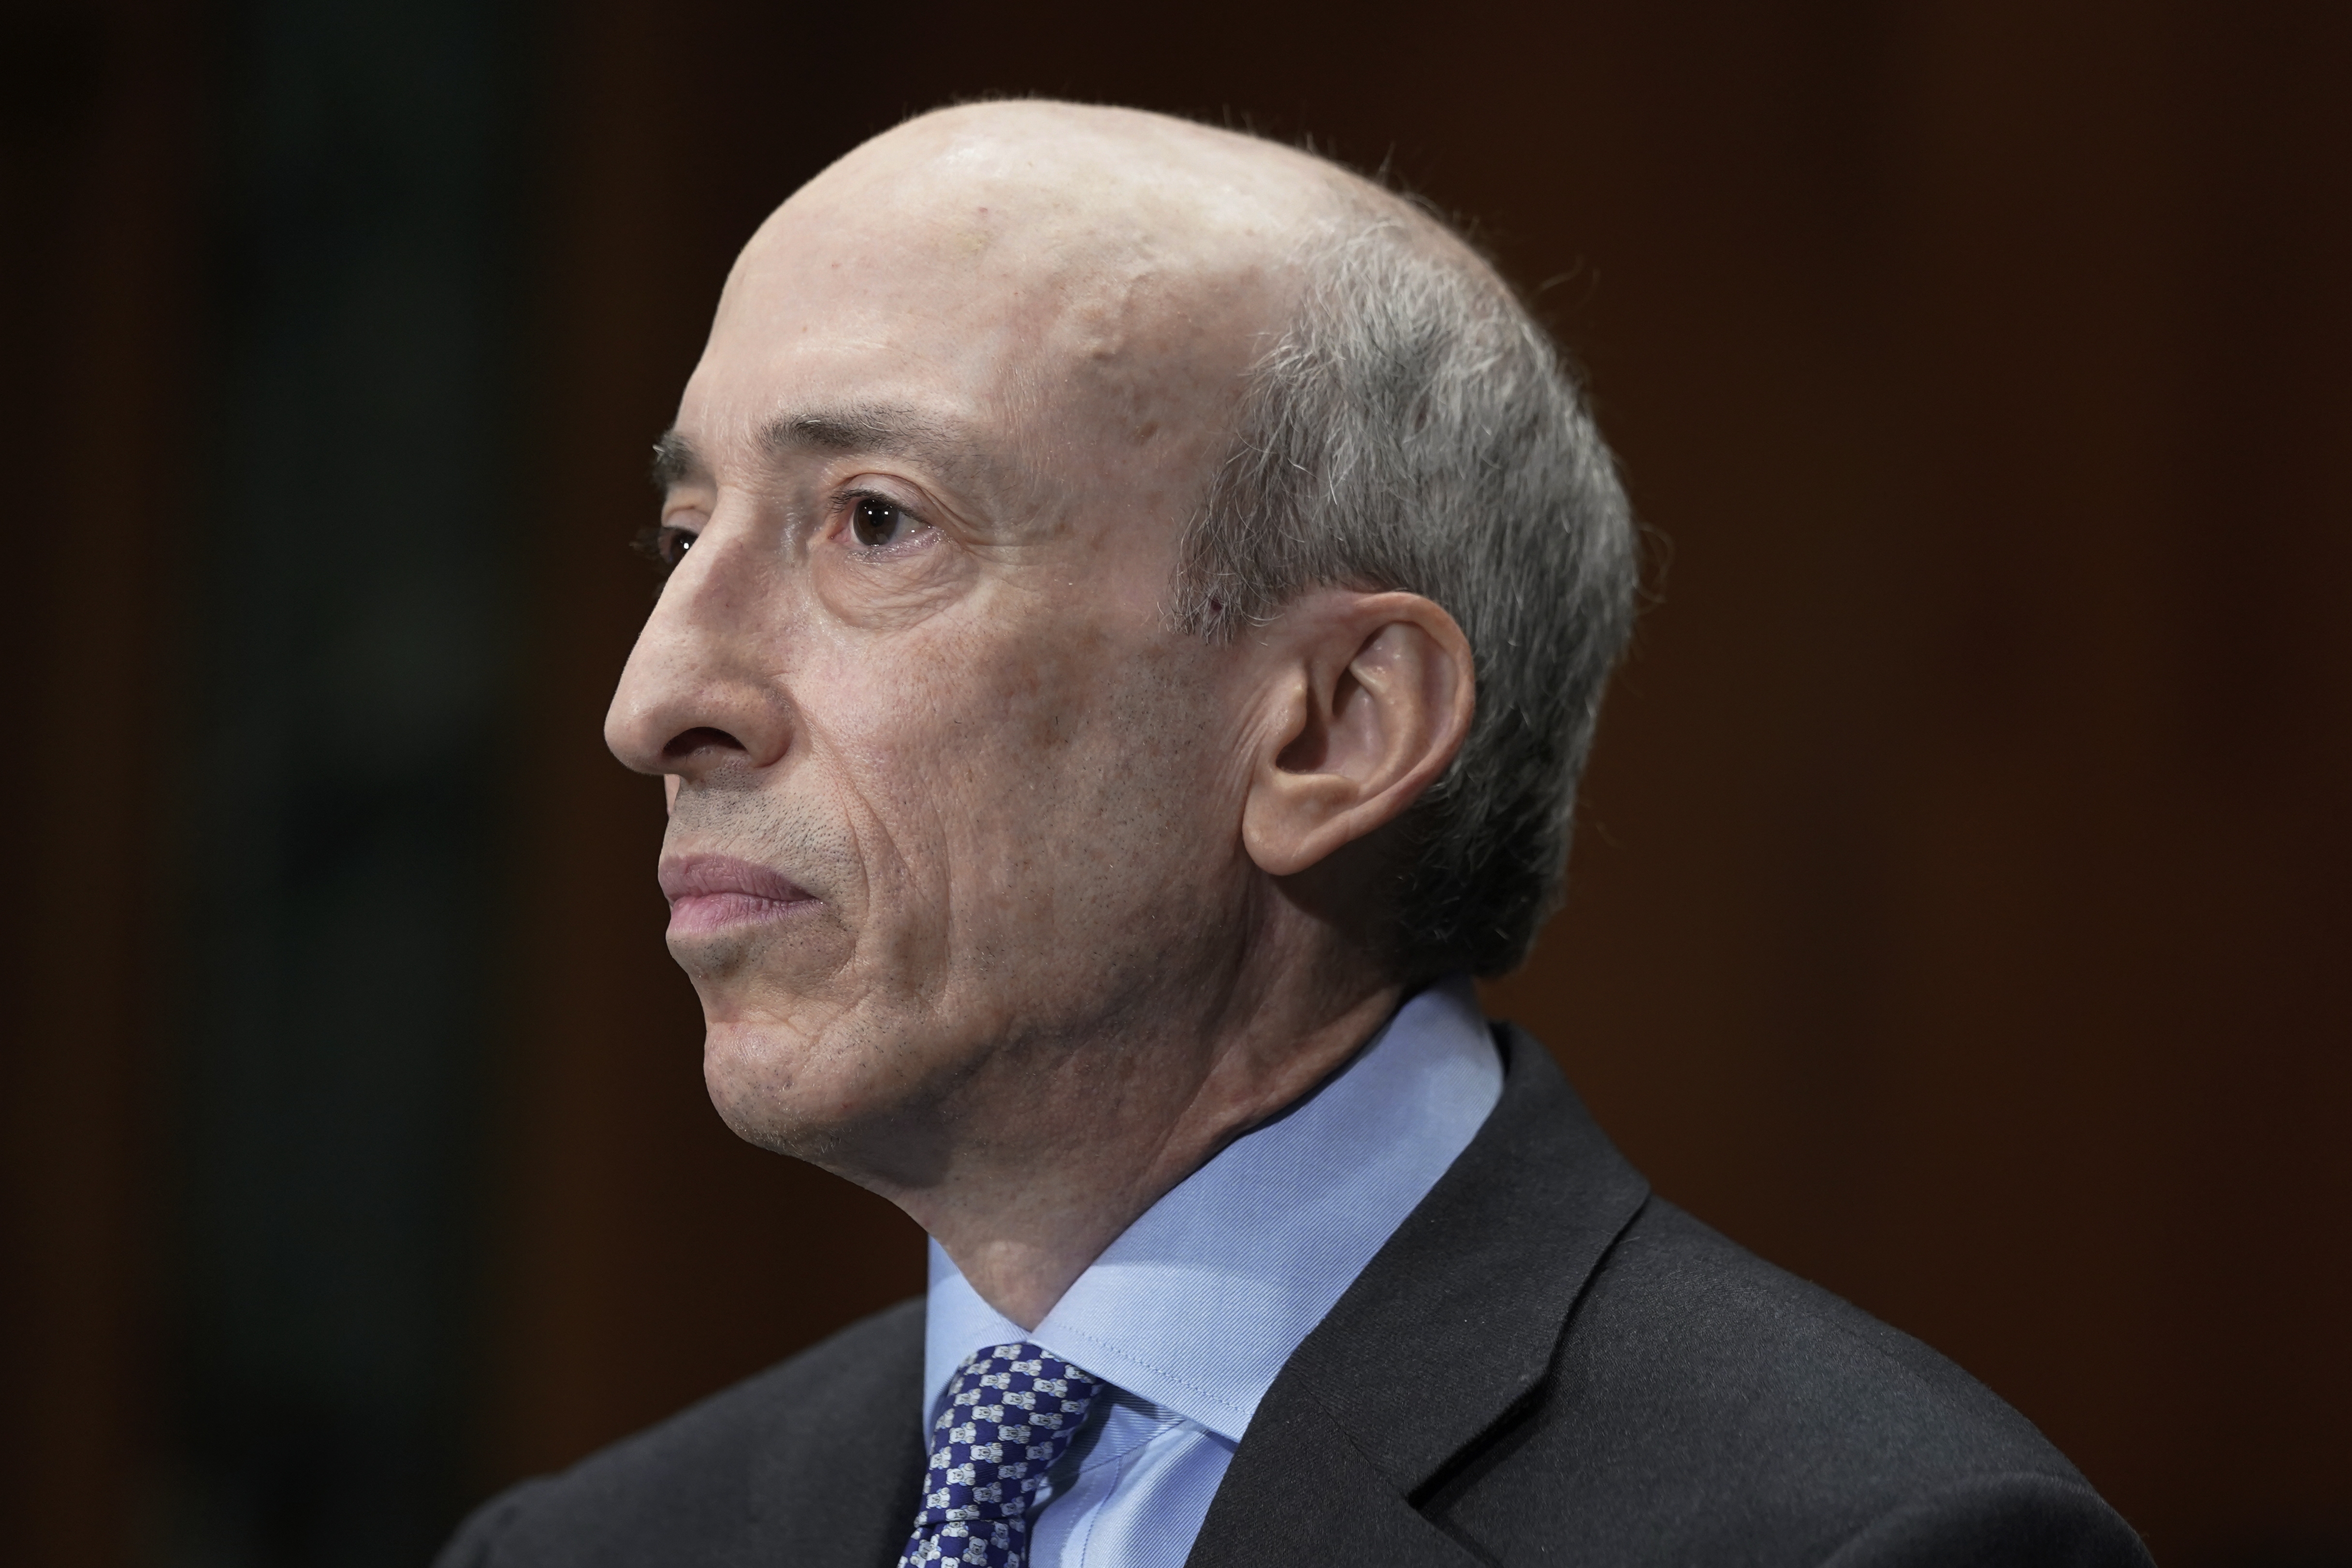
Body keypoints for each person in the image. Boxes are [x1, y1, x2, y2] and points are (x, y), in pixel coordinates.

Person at [437, 101, 2149, 1567]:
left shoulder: (1865, 1538)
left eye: (875, 524)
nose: (654, 697)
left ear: (1335, 726)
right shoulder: (591, 1545)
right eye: (681, 534)